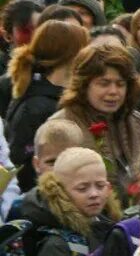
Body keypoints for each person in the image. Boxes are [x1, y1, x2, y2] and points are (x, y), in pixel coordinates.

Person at [45, 43, 140, 194]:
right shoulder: (60, 128)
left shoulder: (139, 122)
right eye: (104, 83)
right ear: (84, 85)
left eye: (120, 84)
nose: (113, 91)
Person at [5, 19, 90, 189]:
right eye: (84, 48)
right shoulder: (36, 107)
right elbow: (23, 166)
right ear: (69, 55)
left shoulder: (49, 95)